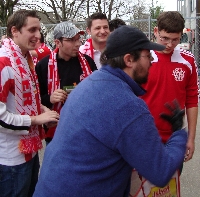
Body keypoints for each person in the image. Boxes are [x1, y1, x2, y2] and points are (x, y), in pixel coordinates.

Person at [33, 25, 187, 197]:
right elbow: (161, 172)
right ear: (129, 60)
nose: (152, 60)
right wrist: (179, 135)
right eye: (147, 55)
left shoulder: (90, 83)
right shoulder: (128, 106)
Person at [0, 10, 60, 197]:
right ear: (15, 31)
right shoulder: (4, 62)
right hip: (11, 160)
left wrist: (43, 113)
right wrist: (36, 119)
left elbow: (23, 100)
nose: (38, 35)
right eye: (32, 30)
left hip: (30, 150)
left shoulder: (25, 58)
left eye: (39, 30)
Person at [140, 11, 199, 163]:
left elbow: (192, 100)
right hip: (143, 137)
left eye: (175, 40)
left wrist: (190, 138)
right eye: (164, 38)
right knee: (141, 185)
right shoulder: (140, 57)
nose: (169, 44)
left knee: (171, 186)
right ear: (155, 31)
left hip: (174, 138)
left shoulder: (187, 60)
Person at [35, 21, 97, 144]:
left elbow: (98, 93)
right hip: (56, 131)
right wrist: (50, 98)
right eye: (72, 40)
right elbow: (35, 99)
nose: (78, 44)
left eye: (78, 39)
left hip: (85, 128)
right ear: (58, 42)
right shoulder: (43, 66)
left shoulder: (88, 63)